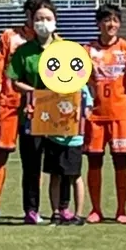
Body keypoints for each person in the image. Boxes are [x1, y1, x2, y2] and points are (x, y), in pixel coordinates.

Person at [7, 0, 74, 224]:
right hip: (32, 113)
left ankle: (62, 207)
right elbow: (15, 80)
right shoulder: (24, 51)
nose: (43, 23)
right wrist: (35, 93)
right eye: (38, 19)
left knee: (60, 163)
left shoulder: (66, 48)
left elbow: (76, 78)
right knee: (31, 164)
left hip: (60, 115)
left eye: (47, 18)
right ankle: (31, 209)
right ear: (31, 22)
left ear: (55, 21)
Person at [0, 0, 42, 224]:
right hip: (8, 102)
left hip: (35, 107)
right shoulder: (9, 35)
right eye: (32, 14)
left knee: (34, 160)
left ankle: (33, 209)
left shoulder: (50, 40)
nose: (36, 20)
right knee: (0, 155)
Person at [84, 4, 126, 224]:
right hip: (94, 115)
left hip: (120, 114)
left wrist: (122, 99)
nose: (111, 24)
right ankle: (95, 209)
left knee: (121, 162)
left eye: (115, 20)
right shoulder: (86, 50)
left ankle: (122, 210)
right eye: (107, 20)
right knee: (94, 162)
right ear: (99, 23)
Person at [32, 84, 93, 226]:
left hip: (74, 140)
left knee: (75, 176)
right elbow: (44, 108)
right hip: (54, 138)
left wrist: (80, 110)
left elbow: (88, 111)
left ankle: (78, 214)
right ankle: (56, 213)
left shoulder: (82, 87)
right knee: (55, 176)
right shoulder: (53, 85)